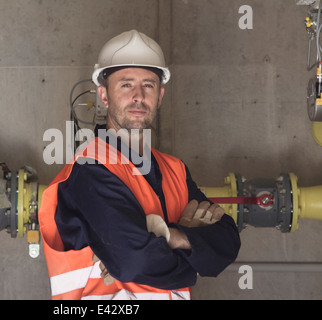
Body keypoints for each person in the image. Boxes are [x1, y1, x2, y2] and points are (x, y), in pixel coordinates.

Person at [39, 29, 241, 300]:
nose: (138, 96)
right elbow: (134, 261)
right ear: (104, 96)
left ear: (159, 96)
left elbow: (228, 241)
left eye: (148, 85)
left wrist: (168, 237)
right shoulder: (88, 171)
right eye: (126, 84)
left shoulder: (175, 170)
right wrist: (192, 258)